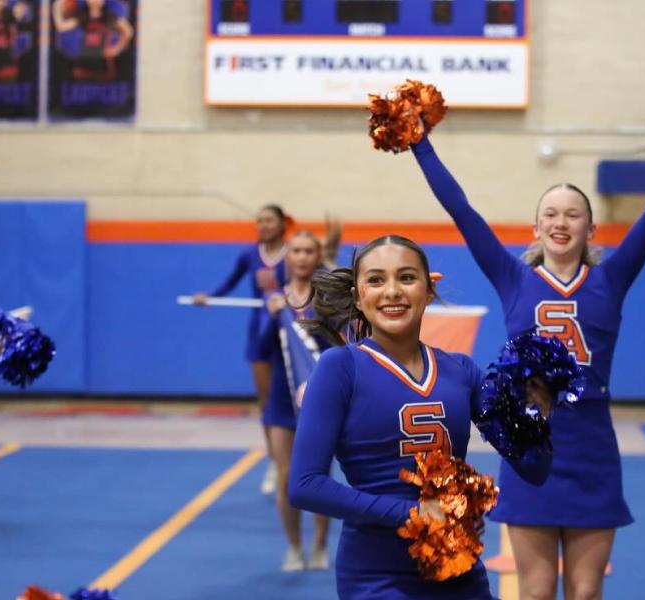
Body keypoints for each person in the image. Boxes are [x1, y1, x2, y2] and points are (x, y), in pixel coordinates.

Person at [409, 123, 645, 599]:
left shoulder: (610, 279)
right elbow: (460, 209)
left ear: (590, 229)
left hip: (592, 448)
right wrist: (419, 144)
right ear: (536, 228)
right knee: (534, 591)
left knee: (586, 592)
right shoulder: (513, 277)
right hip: (531, 449)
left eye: (573, 214)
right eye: (550, 213)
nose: (561, 221)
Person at [288, 234, 552, 600]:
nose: (392, 291)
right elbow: (304, 485)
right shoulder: (341, 367)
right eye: (376, 280)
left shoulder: (461, 371)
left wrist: (536, 415)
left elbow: (533, 469)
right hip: (376, 575)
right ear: (358, 295)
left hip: (458, 569)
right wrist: (412, 513)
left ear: (429, 290)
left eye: (407, 278)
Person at [194, 205, 290, 495]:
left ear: (282, 223)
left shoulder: (295, 253)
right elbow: (230, 282)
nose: (263, 225)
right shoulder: (249, 255)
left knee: (297, 400)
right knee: (267, 402)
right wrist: (209, 297)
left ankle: (296, 462)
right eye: (259, 221)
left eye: (269, 220)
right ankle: (275, 460)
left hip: (290, 332)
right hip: (260, 330)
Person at [260, 230, 331, 571]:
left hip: (317, 398)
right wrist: (273, 316)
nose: (302, 257)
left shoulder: (327, 300)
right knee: (287, 474)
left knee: (317, 474)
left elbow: (336, 349)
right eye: (296, 251)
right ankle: (293, 545)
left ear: (318, 257)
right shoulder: (274, 299)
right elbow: (261, 350)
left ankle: (319, 544)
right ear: (287, 257)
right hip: (280, 400)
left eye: (308, 251)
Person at [52, 0, 132, 82]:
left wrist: (116, 49)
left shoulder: (109, 17)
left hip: (104, 61)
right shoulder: (81, 17)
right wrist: (57, 7)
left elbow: (128, 31)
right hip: (84, 60)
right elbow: (61, 27)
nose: (95, 1)